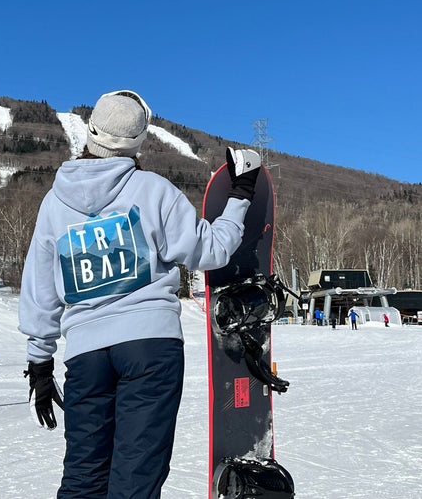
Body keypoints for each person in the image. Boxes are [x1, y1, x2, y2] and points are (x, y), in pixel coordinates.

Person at [18, 90, 262, 499]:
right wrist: (240, 196)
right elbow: (210, 251)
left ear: (90, 131)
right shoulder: (153, 190)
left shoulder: (54, 204)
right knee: (136, 477)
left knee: (82, 477)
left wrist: (40, 363)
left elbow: (40, 287)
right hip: (150, 347)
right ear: (138, 142)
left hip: (85, 354)